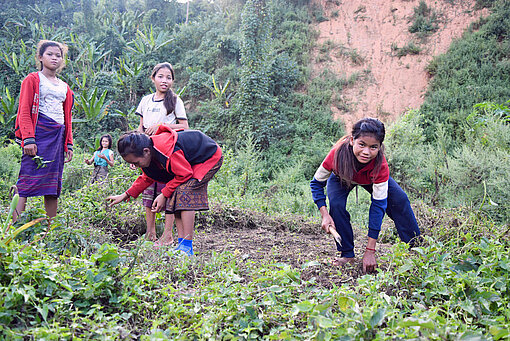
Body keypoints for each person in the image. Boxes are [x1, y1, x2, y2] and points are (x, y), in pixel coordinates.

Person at [310, 117, 420, 273]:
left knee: (400, 200)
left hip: (370, 178)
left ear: (380, 147)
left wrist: (370, 250)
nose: (366, 152)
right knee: (336, 205)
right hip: (343, 176)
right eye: (362, 144)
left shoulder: (380, 165)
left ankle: (416, 247)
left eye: (373, 147)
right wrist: (324, 214)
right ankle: (347, 254)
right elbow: (316, 183)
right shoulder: (336, 155)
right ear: (351, 140)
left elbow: (378, 206)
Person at [107, 126, 223, 256]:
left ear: (146, 151)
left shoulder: (167, 151)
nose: (137, 166)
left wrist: (164, 194)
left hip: (209, 157)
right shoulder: (149, 154)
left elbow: (184, 174)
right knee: (175, 195)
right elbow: (146, 178)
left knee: (185, 191)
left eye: (137, 162)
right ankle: (182, 245)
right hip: (190, 163)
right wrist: (126, 194)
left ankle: (187, 247)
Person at [14, 40, 74, 220]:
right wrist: (29, 139)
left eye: (58, 55)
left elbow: (67, 118)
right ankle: (14, 228)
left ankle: (51, 229)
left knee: (53, 184)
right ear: (40, 57)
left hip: (57, 136)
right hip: (38, 134)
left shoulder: (65, 87)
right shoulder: (33, 79)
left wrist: (68, 144)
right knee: (26, 179)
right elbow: (24, 110)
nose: (54, 58)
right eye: (50, 54)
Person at [135, 62, 189, 246]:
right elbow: (141, 128)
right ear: (153, 78)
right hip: (147, 154)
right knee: (149, 192)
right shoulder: (145, 101)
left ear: (172, 81)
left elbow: (184, 127)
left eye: (168, 77)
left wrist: (161, 127)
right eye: (160, 76)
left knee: (168, 192)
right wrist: (136, 154)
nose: (164, 80)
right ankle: (150, 233)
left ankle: (167, 235)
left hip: (167, 154)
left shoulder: (175, 101)